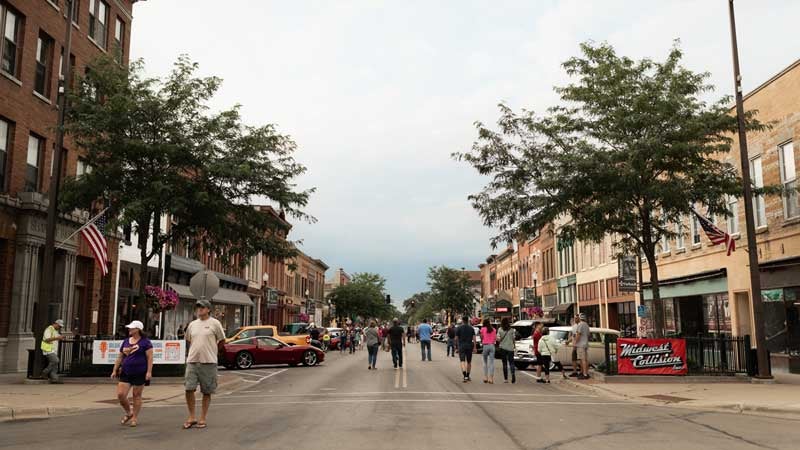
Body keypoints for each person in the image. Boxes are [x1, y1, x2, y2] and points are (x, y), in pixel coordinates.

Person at [183, 299, 226, 429]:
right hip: (192, 361)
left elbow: (222, 340)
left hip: (209, 361)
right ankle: (191, 417)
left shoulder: (215, 323)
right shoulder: (192, 324)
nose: (199, 309)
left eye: (202, 307)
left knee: (206, 391)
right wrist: (191, 352)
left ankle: (202, 417)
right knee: (189, 388)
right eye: (198, 307)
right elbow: (188, 340)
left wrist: (214, 351)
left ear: (208, 309)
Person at [111, 320, 153, 427]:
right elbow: (120, 356)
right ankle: (129, 412)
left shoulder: (145, 342)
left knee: (136, 395)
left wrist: (149, 372)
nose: (129, 329)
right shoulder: (126, 341)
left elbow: (150, 357)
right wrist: (115, 370)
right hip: (126, 371)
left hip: (140, 372)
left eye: (132, 328)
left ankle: (134, 417)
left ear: (138, 329)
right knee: (121, 394)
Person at [40, 319, 66, 384]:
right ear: (56, 324)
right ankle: (44, 373)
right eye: (59, 326)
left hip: (53, 350)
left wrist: (61, 337)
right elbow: (47, 339)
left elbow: (56, 338)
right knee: (55, 361)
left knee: (55, 365)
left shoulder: (55, 331)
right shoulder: (49, 329)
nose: (60, 328)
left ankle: (55, 379)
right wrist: (58, 338)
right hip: (48, 349)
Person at [455, 316, 476, 383]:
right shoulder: (471, 328)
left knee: (462, 361)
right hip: (469, 346)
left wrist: (456, 347)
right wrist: (475, 347)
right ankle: (468, 375)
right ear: (468, 320)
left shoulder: (459, 328)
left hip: (461, 346)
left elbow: (456, 338)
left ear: (462, 321)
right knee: (469, 362)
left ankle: (464, 376)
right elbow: (474, 338)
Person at [496, 317, 517, 384]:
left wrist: (500, 340)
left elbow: (498, 339)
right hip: (510, 348)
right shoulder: (512, 330)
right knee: (511, 362)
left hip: (503, 348)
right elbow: (514, 339)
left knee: (504, 363)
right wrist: (514, 346)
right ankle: (513, 374)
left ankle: (506, 379)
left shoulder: (500, 329)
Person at [480, 319, 497, 384]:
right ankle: (491, 379)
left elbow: (481, 337)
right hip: (492, 346)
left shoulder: (483, 329)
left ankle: (485, 377)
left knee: (485, 362)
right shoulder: (494, 329)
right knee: (491, 362)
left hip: (485, 345)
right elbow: (495, 338)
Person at [574, 313, 591, 379]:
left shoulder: (580, 324)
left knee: (582, 359)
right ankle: (585, 372)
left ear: (580, 318)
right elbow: (588, 335)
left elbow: (578, 334)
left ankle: (585, 374)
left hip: (580, 344)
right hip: (585, 344)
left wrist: (575, 343)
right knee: (585, 359)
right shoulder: (586, 325)